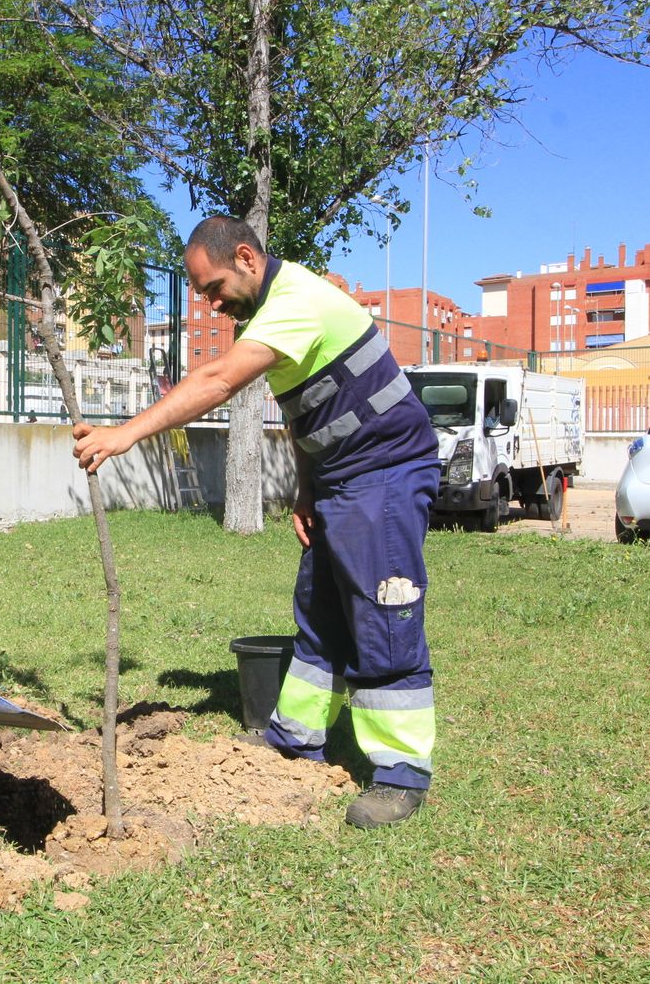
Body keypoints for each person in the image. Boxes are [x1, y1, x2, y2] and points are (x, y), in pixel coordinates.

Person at [72, 215, 442, 828]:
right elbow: (304, 410)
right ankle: (297, 738)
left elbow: (216, 381)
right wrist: (306, 489)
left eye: (213, 287)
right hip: (339, 478)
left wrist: (125, 434)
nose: (211, 304)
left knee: (382, 612)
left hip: (386, 472)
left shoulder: (295, 302)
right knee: (320, 609)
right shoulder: (272, 309)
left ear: (246, 257)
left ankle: (401, 772)